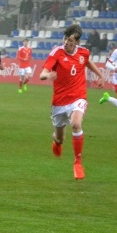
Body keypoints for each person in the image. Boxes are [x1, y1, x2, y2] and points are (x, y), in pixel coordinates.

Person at [39, 23, 105, 180]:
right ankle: (57, 140)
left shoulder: (84, 52)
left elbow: (87, 61)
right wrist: (49, 76)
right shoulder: (57, 53)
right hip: (59, 102)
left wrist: (100, 75)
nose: (66, 44)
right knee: (61, 138)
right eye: (65, 39)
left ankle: (78, 163)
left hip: (78, 97)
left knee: (76, 124)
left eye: (70, 41)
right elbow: (42, 73)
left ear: (77, 42)